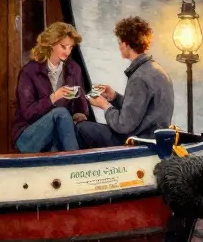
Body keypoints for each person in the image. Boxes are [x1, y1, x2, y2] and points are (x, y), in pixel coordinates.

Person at [79, 16, 175, 148]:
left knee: (82, 128)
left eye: (119, 43)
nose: (119, 47)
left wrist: (105, 106)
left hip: (139, 141)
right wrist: (114, 97)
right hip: (154, 137)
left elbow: (123, 125)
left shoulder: (139, 77)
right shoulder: (157, 70)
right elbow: (140, 109)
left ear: (126, 44)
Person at [13, 22, 88, 153]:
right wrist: (53, 97)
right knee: (60, 113)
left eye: (71, 47)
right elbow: (28, 113)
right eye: (63, 46)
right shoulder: (29, 71)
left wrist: (79, 114)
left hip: (56, 135)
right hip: (29, 135)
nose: (67, 51)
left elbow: (81, 103)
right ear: (51, 44)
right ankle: (76, 160)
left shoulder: (74, 69)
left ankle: (72, 162)